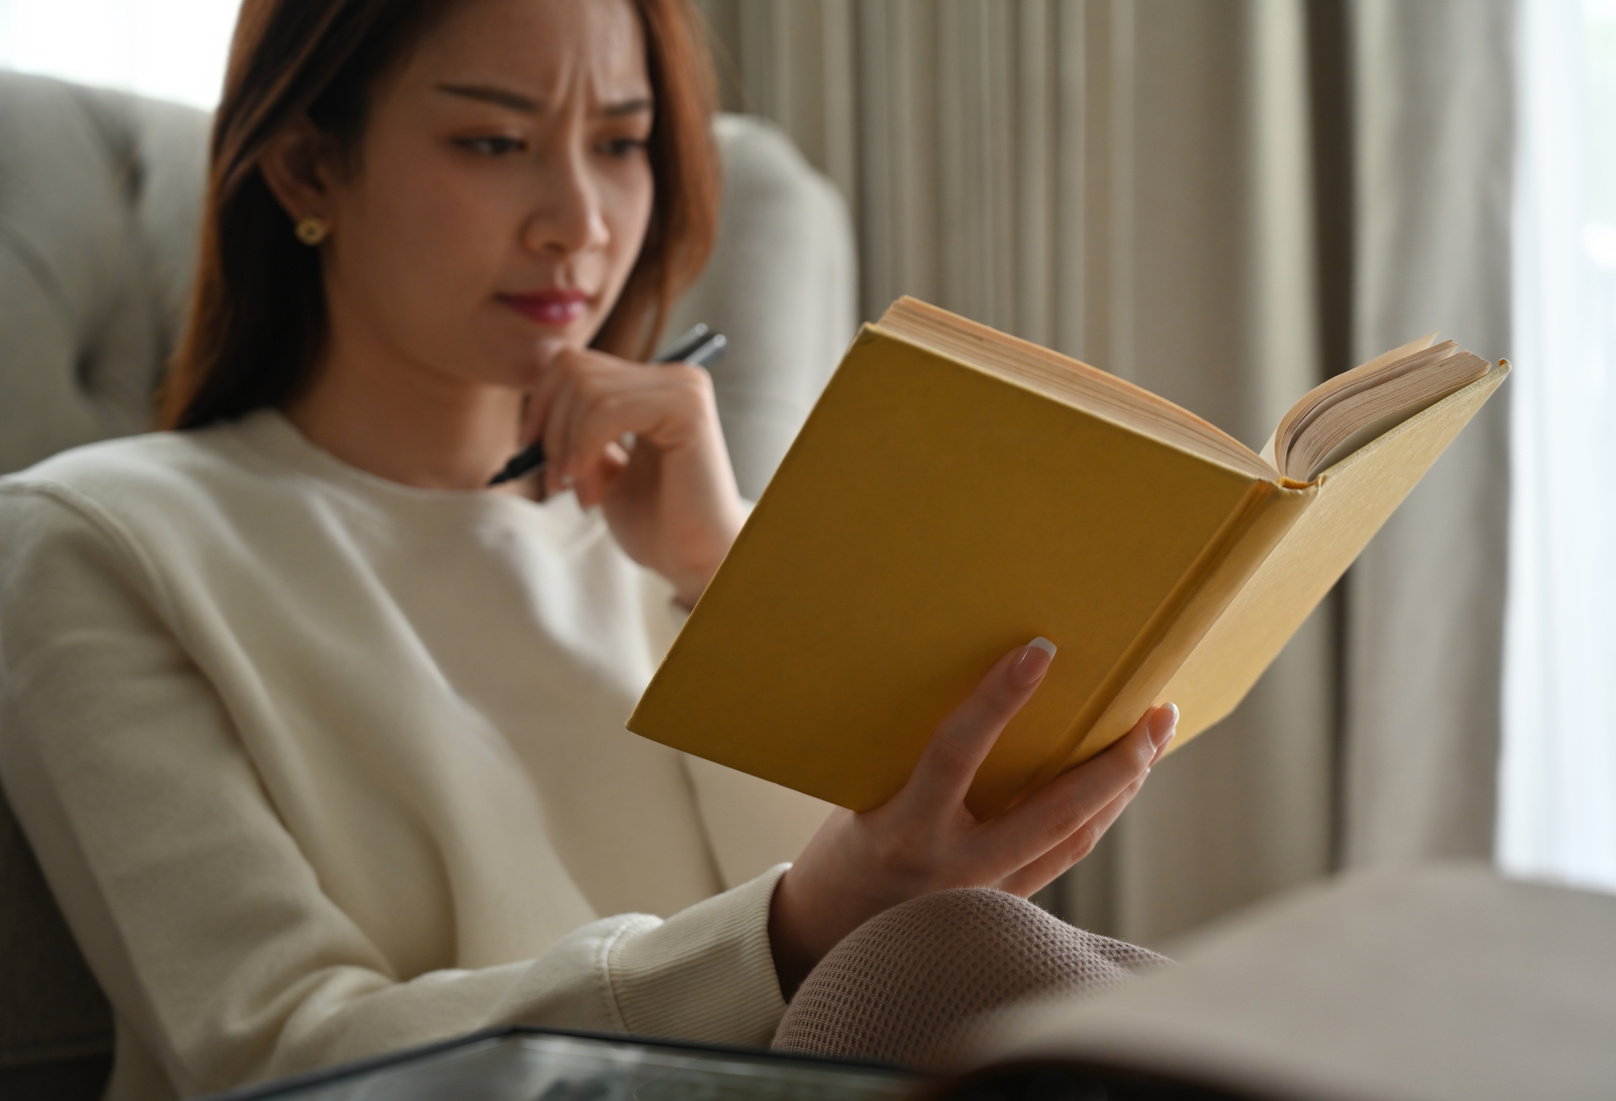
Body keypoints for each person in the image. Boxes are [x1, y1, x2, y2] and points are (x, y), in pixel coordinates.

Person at [0, 1, 1178, 1098]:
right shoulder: (98, 542)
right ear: (310, 165)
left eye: (621, 143)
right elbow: (274, 1056)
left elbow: (892, 959)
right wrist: (791, 933)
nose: (581, 222)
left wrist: (726, 576)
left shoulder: (671, 529)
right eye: (490, 143)